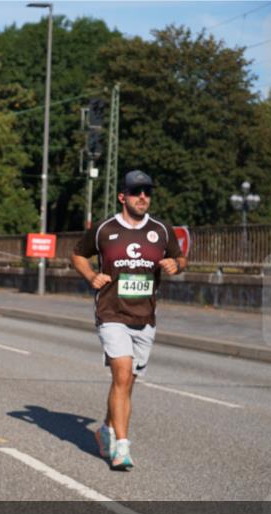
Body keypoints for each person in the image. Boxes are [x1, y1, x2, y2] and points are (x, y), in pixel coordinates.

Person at [71, 170, 186, 471]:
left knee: (127, 383)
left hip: (145, 316)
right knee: (121, 375)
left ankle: (106, 429)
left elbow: (181, 258)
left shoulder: (161, 229)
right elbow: (78, 254)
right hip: (111, 312)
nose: (143, 197)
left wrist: (176, 264)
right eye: (137, 192)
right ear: (123, 196)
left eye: (147, 192)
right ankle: (121, 447)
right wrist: (91, 275)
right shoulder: (105, 229)